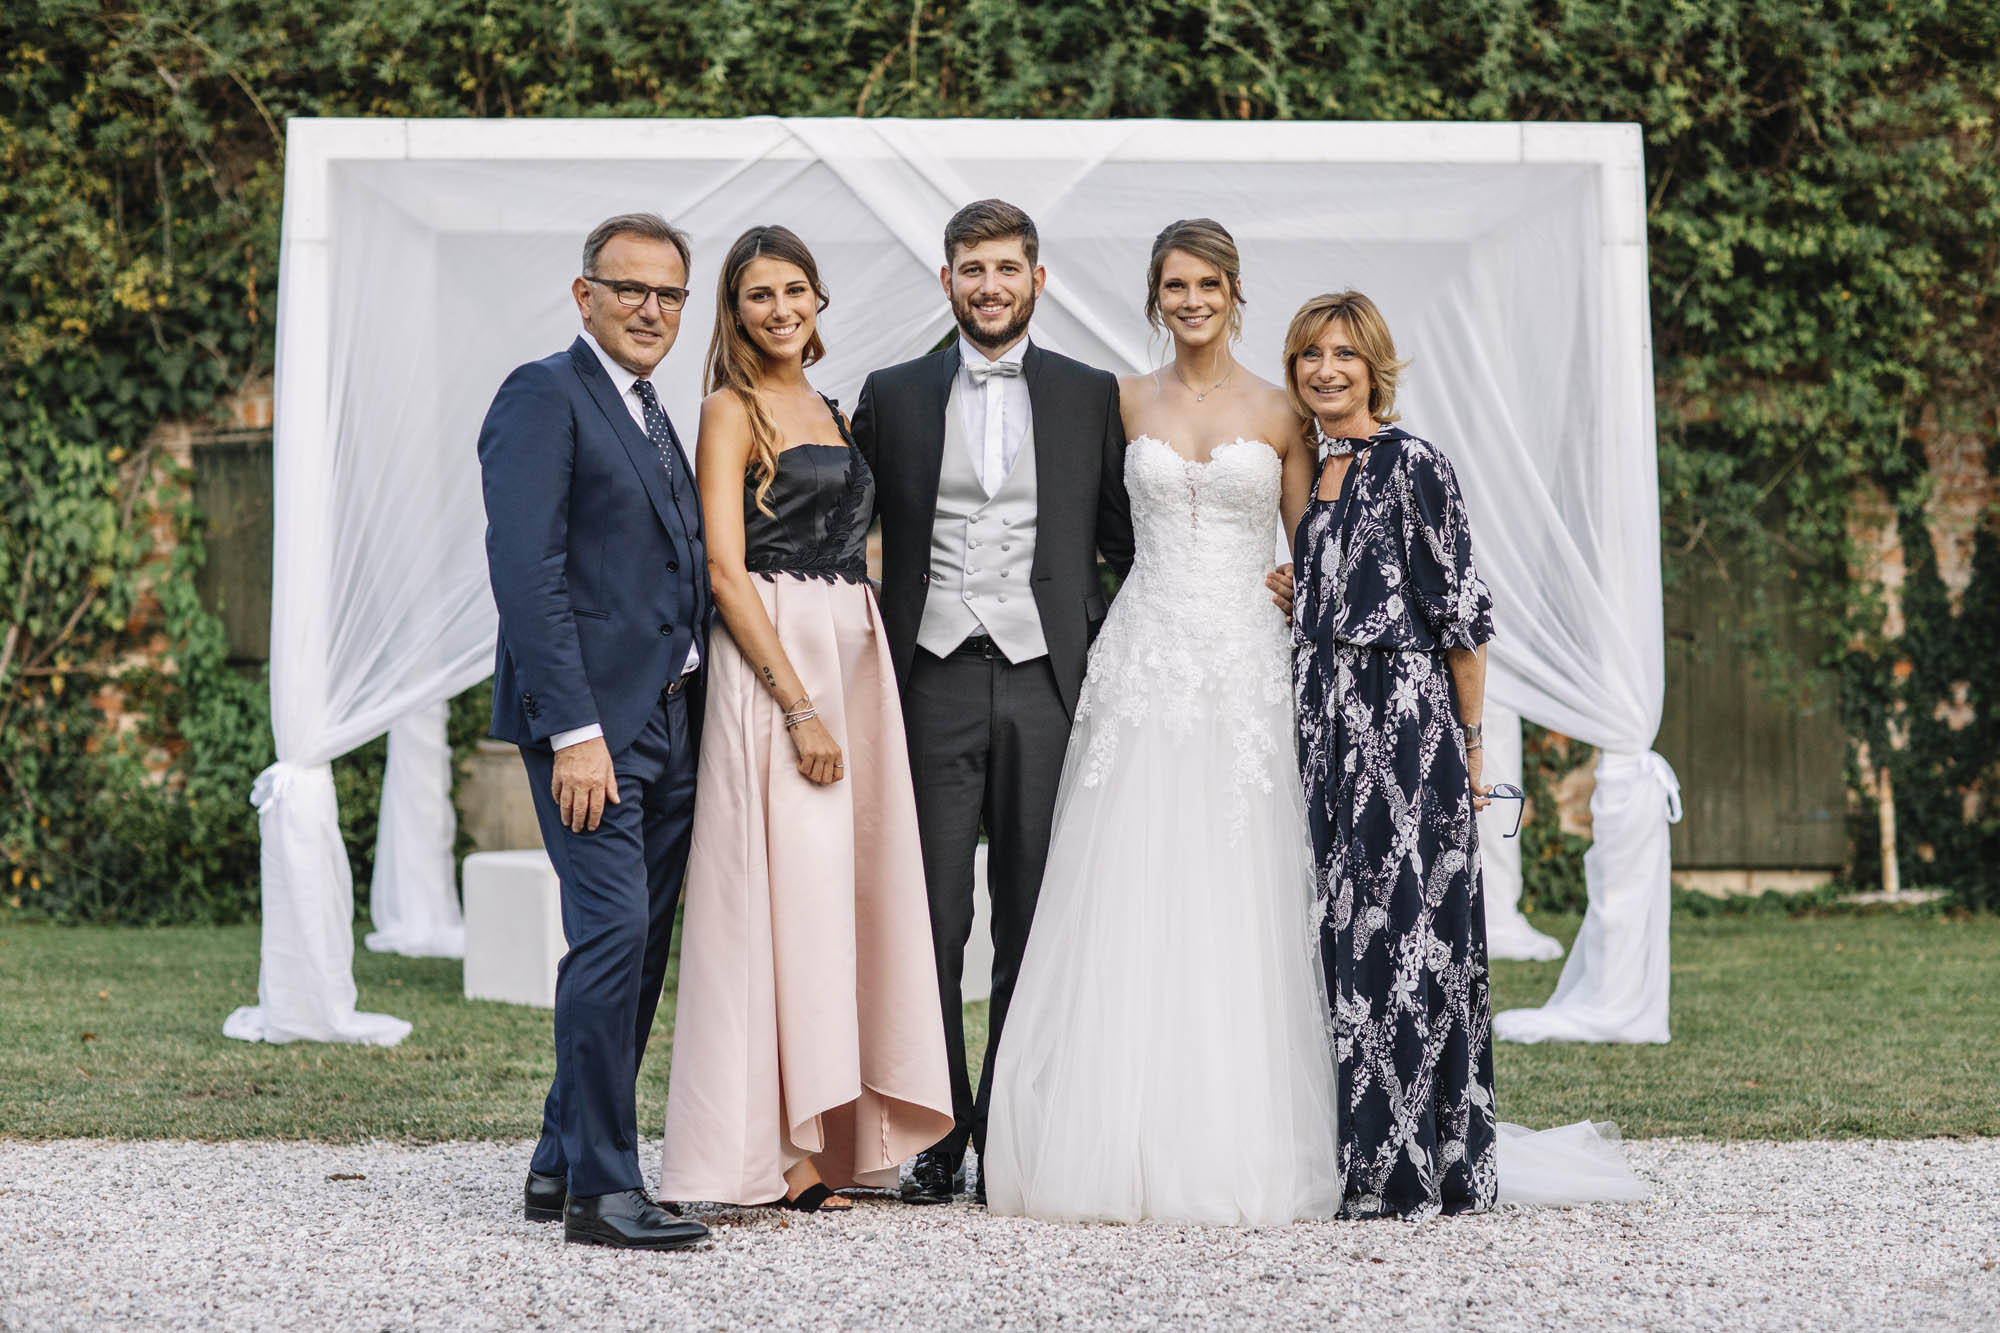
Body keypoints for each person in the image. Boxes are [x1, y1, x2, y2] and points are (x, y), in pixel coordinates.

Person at [982, 219, 1345, 1224]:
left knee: (1234, 883)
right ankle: (1106, 1135)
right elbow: (1084, 520)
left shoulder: (1279, 411)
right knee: (1125, 877)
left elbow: (1312, 540)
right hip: (1140, 657)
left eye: (1206, 285)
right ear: (1154, 296)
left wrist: (1293, 581)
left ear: (1233, 293)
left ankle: (1236, 1134)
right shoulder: (1119, 400)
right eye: (1173, 285)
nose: (1189, 301)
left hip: (1238, 661)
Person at [1284, 291, 1647, 1219]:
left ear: (1374, 367)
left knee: (1408, 941)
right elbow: (1349, 591)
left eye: (1344, 355)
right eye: (1310, 354)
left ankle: (1419, 1159)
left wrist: (1472, 747)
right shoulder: (1317, 470)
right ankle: (1360, 1151)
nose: (1326, 370)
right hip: (1326, 726)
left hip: (1406, 731)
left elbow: (1462, 618)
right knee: (1344, 940)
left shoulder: (1414, 463)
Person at [658, 226, 954, 1212]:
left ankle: (828, 1135)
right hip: (778, 661)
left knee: (842, 893)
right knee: (779, 893)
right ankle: (763, 1148)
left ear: (818, 300)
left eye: (794, 291)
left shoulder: (829, 406)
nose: (779, 309)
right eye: (757, 296)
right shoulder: (727, 410)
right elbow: (722, 572)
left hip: (850, 650)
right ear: (733, 312)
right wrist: (797, 706)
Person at [848, 199, 1136, 1205]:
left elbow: (1125, 541)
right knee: (928, 914)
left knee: (1034, 910)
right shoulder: (886, 395)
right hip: (925, 682)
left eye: (1006, 268)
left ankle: (1013, 1126)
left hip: (1048, 683)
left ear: (1036, 280)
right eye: (970, 269)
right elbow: (835, 531)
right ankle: (936, 1128)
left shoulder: (1088, 394)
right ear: (946, 282)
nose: (988, 285)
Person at [476, 213, 712, 1251]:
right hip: (592, 731)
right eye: (630, 290)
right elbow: (526, 577)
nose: (650, 310)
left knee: (643, 944)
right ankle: (603, 1195)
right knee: (611, 934)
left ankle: (557, 1154)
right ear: (585, 296)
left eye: (668, 295)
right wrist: (573, 731)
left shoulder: (656, 412)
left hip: (672, 721)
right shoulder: (542, 395)